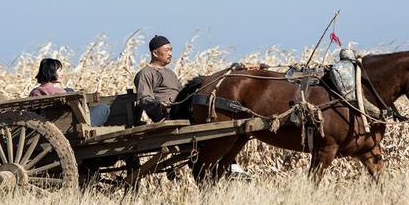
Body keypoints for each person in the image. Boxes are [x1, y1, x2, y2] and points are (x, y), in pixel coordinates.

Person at [134, 36, 249, 178]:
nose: (170, 53)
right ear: (155, 53)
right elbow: (144, 99)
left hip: (181, 109)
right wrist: (159, 104)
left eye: (171, 50)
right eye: (167, 50)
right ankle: (228, 165)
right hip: (168, 117)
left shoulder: (170, 73)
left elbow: (182, 93)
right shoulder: (145, 74)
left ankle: (227, 164)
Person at [30, 58, 110, 126]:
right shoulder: (61, 93)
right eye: (59, 71)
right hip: (71, 126)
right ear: (52, 72)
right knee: (104, 108)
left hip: (44, 126)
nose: (62, 74)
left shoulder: (34, 93)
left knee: (69, 90)